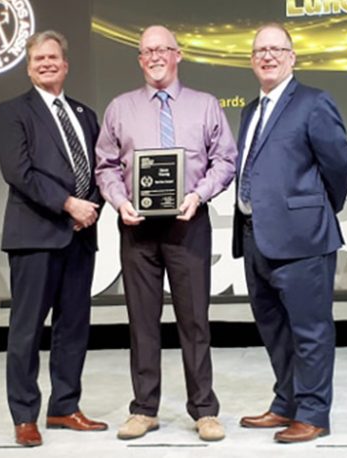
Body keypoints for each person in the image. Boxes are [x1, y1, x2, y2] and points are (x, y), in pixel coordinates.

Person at [95, 25, 237, 442]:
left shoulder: (206, 105)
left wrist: (199, 194)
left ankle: (205, 410)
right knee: (142, 322)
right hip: (137, 230)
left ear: (178, 55)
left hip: (188, 224)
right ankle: (144, 409)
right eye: (147, 51)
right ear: (140, 60)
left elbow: (225, 161)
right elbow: (105, 165)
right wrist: (120, 201)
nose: (155, 56)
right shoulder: (120, 108)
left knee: (195, 321)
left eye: (163, 49)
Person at [232, 23, 347, 443]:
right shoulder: (250, 110)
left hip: (304, 239)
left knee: (311, 331)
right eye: (259, 51)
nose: (267, 56)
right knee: (274, 330)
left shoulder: (314, 102)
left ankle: (315, 414)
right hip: (254, 238)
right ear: (252, 60)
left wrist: (316, 209)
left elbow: (339, 166)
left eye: (276, 49)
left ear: (292, 56)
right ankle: (286, 404)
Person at [0, 30, 107, 447]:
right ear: (28, 66)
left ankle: (64, 407)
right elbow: (18, 172)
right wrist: (68, 205)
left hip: (79, 237)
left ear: (66, 64)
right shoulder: (13, 111)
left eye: (53, 57)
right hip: (35, 236)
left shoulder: (85, 114)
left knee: (73, 328)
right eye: (38, 58)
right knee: (26, 331)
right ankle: (25, 416)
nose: (46, 63)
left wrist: (90, 208)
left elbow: (100, 169)